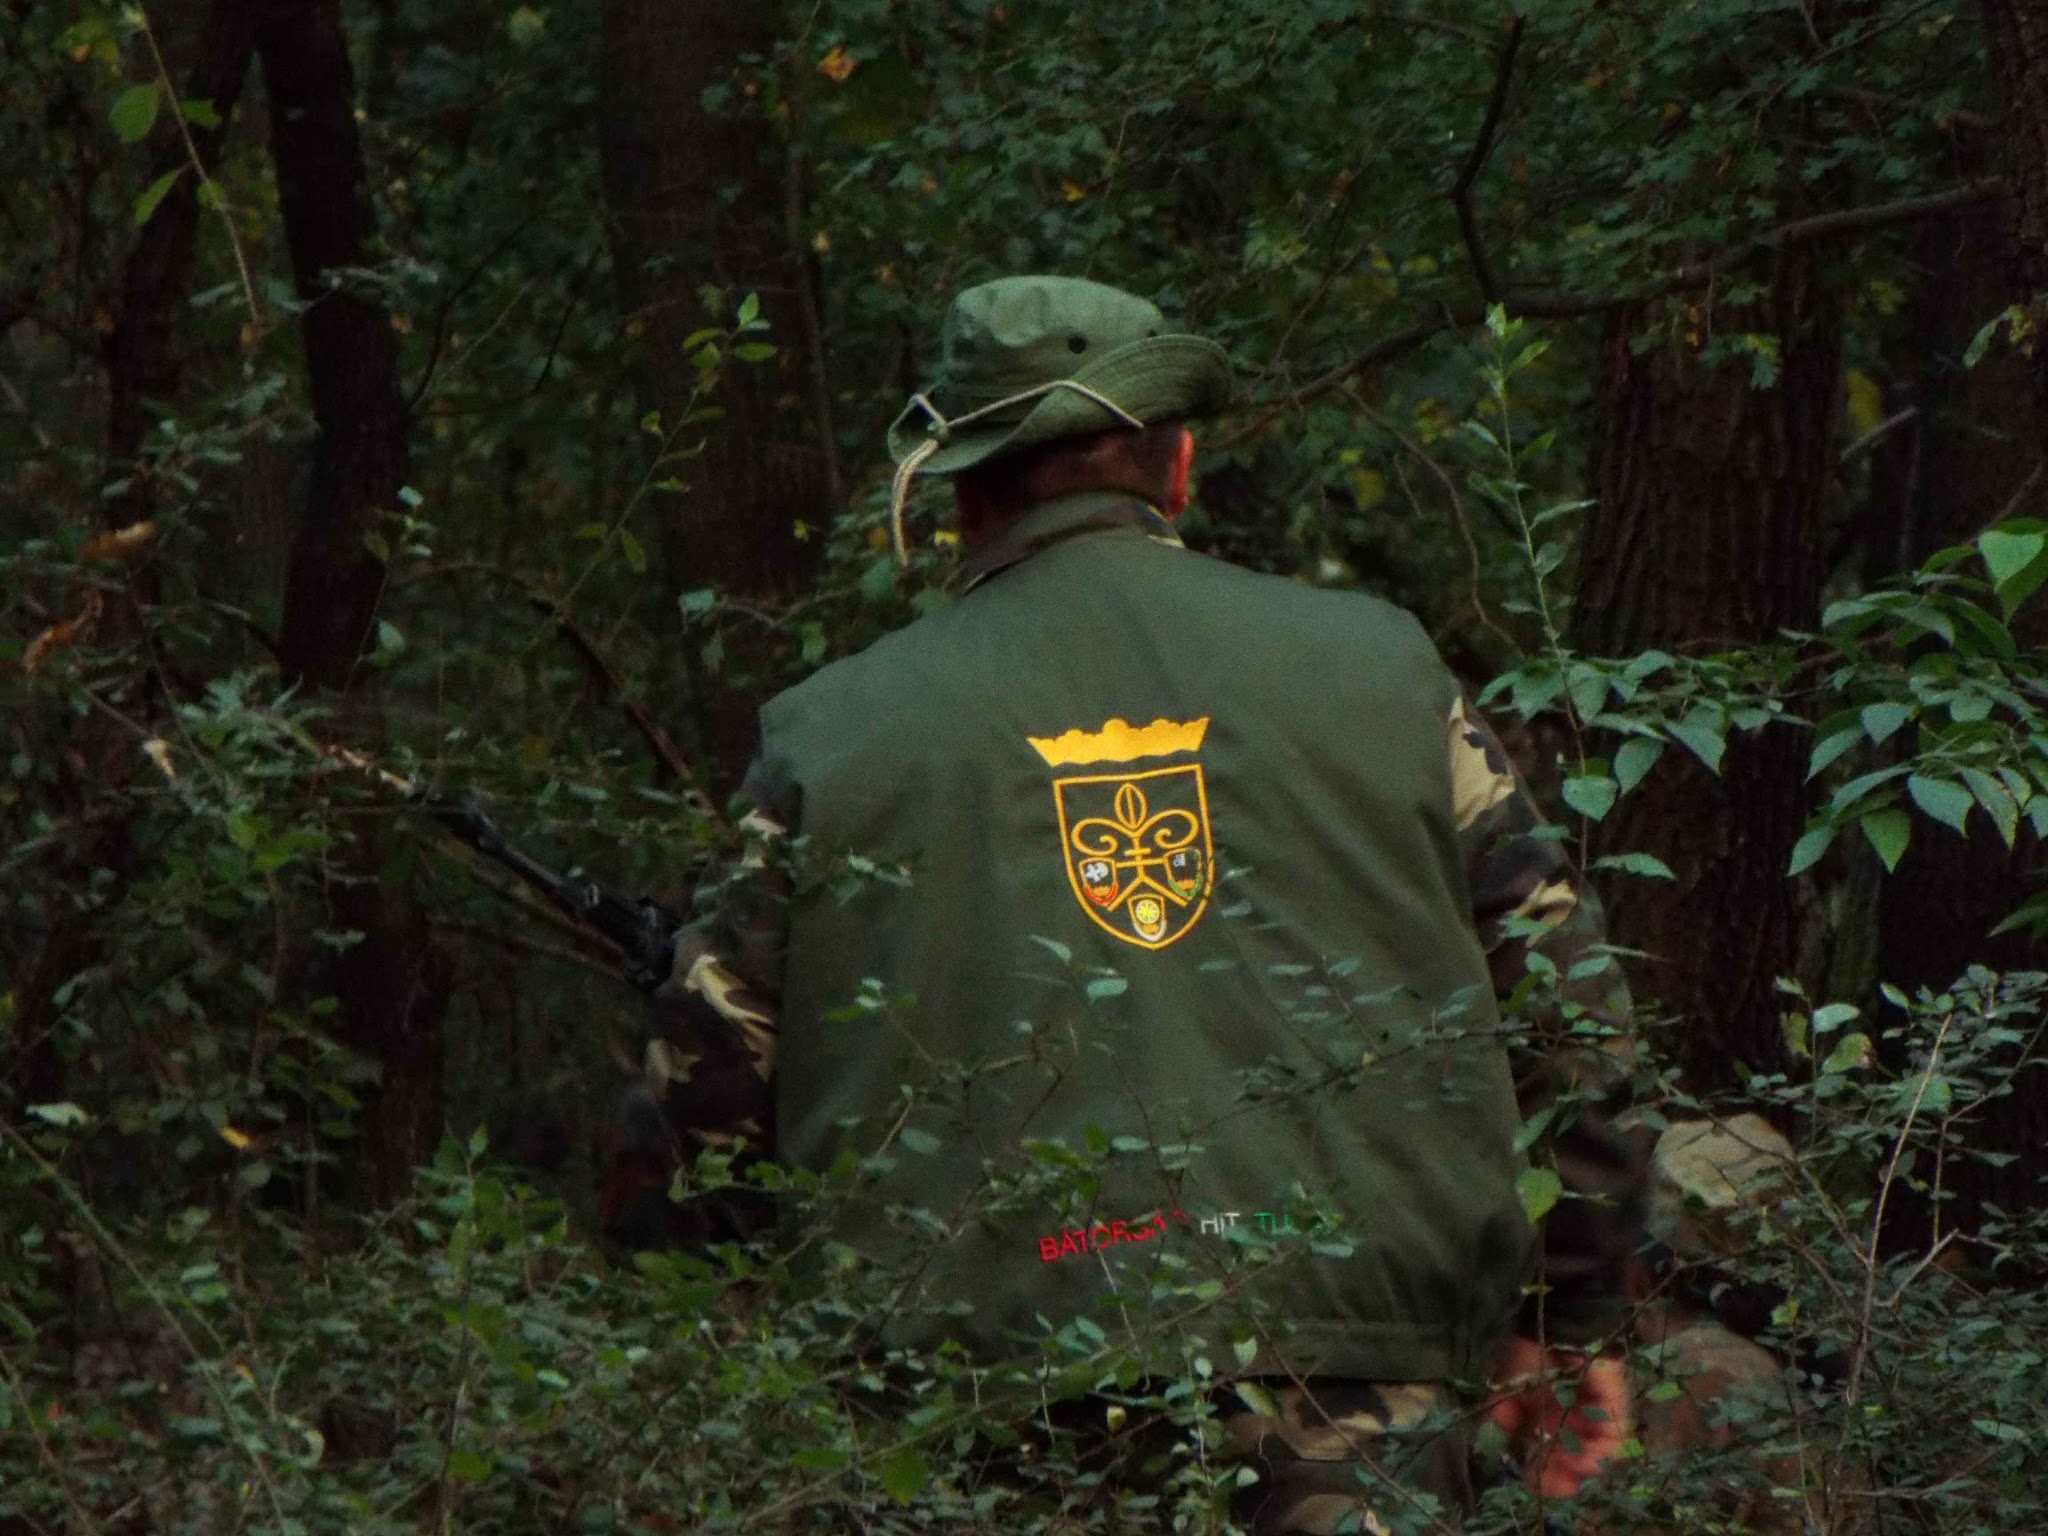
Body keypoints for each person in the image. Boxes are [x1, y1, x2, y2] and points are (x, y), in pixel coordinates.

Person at [637, 275, 1646, 1530]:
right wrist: (1570, 1310)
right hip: (1354, 1376)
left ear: (960, 496)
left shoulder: (829, 734)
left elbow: (706, 1079)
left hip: (969, 1400)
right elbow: (1565, 1007)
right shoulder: (1384, 671)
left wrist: (782, 1333)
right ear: (1176, 467)